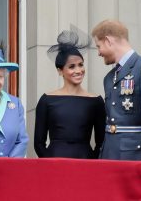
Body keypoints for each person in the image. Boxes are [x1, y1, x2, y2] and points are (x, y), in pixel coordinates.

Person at [34, 29, 105, 159]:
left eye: (80, 65)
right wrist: (49, 162)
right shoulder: (47, 100)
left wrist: (93, 163)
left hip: (86, 163)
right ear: (60, 71)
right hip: (55, 163)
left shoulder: (96, 101)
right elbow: (38, 143)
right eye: (72, 66)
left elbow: (101, 142)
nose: (78, 70)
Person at [92, 20, 141, 160]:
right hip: (110, 152)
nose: (98, 53)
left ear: (108, 40)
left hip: (136, 154)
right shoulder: (109, 77)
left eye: (98, 46)